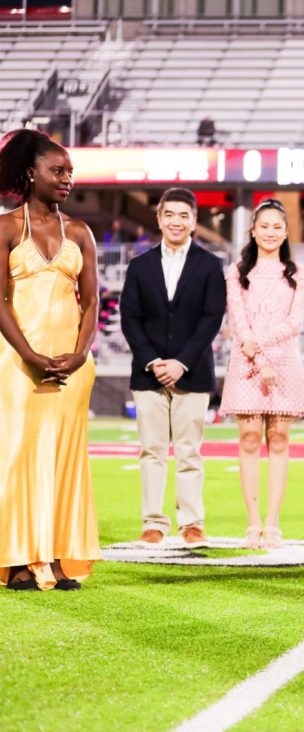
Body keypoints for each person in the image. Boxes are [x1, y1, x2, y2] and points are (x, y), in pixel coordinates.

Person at [0, 129, 100, 591]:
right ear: (29, 173)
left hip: (72, 367)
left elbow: (93, 300)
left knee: (64, 458)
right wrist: (30, 354)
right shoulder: (4, 228)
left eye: (70, 173)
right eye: (57, 171)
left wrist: (79, 356)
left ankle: (59, 558)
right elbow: (0, 301)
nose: (66, 179)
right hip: (18, 363)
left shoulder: (79, 231)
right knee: (17, 455)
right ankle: (18, 558)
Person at [119, 188, 226, 548]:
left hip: (192, 373)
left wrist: (181, 362)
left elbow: (211, 318)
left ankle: (191, 523)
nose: (176, 221)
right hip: (147, 374)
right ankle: (153, 523)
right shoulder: (139, 265)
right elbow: (130, 319)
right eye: (170, 214)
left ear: (194, 221)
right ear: (159, 218)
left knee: (189, 451)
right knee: (151, 450)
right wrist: (153, 361)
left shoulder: (211, 265)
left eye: (184, 215)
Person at [219, 199, 304, 550]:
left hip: (284, 362)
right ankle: (252, 523)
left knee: (279, 440)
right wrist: (257, 355)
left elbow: (294, 323)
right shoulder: (237, 272)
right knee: (247, 438)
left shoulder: (298, 273)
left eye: (277, 227)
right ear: (253, 231)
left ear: (285, 232)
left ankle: (273, 524)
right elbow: (238, 319)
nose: (270, 232)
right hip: (246, 362)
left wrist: (264, 351)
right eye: (264, 226)